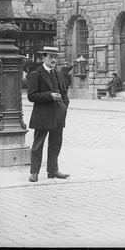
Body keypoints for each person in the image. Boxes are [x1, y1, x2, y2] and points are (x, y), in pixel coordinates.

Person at [26, 46, 70, 183]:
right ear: (44, 57)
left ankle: (53, 170)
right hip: (43, 115)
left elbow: (64, 93)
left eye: (55, 57)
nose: (53, 60)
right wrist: (49, 96)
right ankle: (34, 172)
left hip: (58, 114)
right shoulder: (36, 74)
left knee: (56, 144)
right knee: (38, 145)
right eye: (51, 57)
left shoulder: (58, 73)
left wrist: (64, 105)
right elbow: (31, 96)